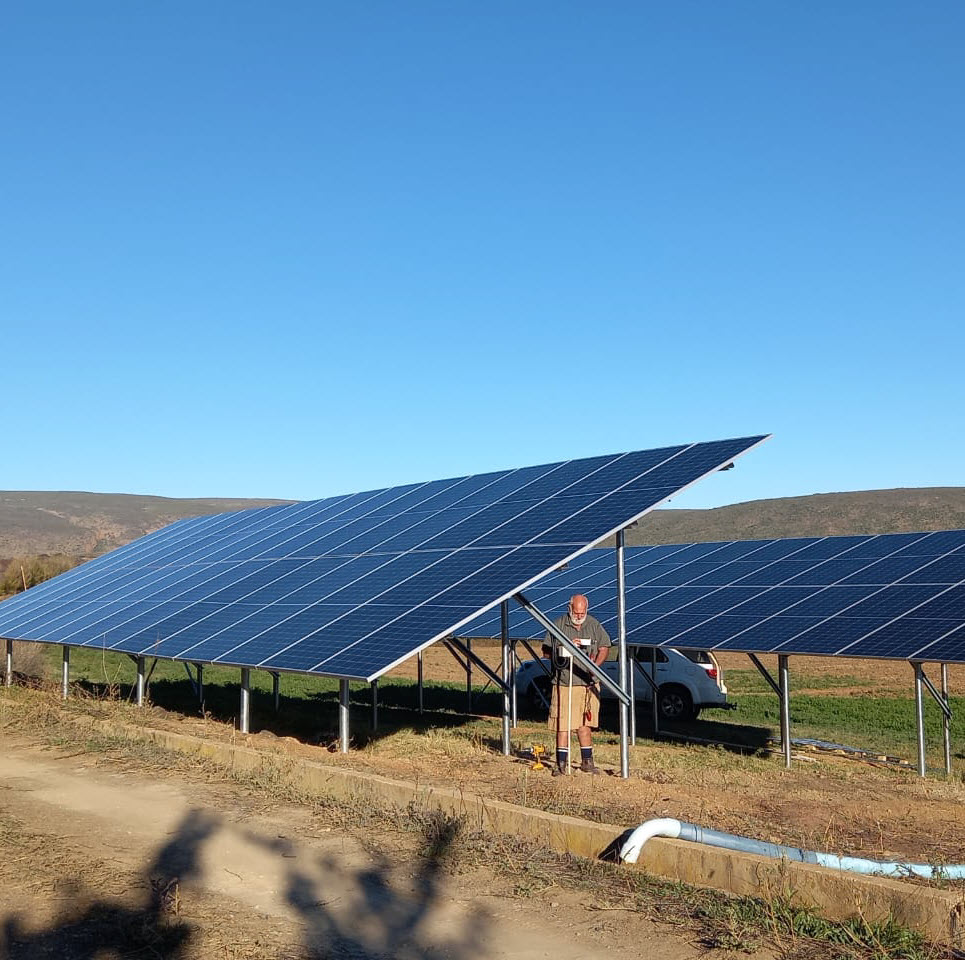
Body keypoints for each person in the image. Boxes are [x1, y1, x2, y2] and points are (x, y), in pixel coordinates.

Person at [544, 593, 610, 775]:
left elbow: (604, 647)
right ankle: (561, 764)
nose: (579, 616)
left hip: (587, 684)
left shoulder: (594, 625)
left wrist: (595, 666)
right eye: (576, 612)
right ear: (570, 608)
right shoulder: (558, 624)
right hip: (565, 683)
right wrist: (565, 648)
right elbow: (546, 652)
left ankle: (587, 761)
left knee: (584, 724)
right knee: (563, 724)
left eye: (582, 613)